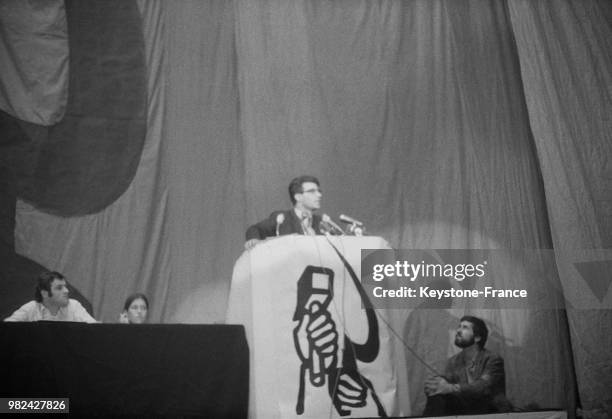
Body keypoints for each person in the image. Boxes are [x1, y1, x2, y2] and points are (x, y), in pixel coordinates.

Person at [423, 315, 511, 416]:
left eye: (465, 327)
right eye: (459, 327)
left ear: (477, 337)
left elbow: (483, 387)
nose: (458, 331)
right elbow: (447, 381)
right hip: (466, 412)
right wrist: (434, 385)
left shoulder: (493, 359)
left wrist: (450, 388)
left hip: (491, 412)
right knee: (437, 397)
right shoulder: (453, 361)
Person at [244, 175, 328, 250]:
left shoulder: (323, 222)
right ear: (298, 197)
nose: (319, 195)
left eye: (319, 191)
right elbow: (255, 229)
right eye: (312, 191)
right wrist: (253, 240)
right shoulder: (282, 219)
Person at [4, 271, 97, 323]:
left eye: (65, 286)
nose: (66, 291)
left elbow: (94, 328)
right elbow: (7, 328)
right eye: (59, 288)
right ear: (44, 293)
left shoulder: (74, 306)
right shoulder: (31, 308)